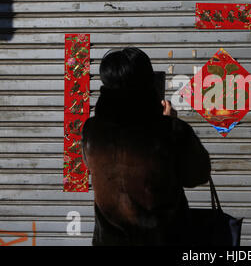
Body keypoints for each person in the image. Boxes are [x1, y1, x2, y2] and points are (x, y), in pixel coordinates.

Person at [81, 47, 211, 246]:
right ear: (148, 83)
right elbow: (198, 174)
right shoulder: (171, 131)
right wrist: (169, 124)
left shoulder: (92, 132)